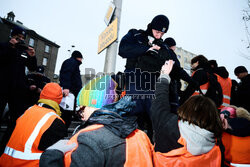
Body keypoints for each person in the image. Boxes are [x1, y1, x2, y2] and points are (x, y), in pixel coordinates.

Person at [39, 80, 154, 167]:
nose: (81, 116)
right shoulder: (141, 136)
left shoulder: (89, 139)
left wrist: (51, 156)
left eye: (82, 108)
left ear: (95, 106)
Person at [151, 60, 223, 166]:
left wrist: (164, 76)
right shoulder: (217, 145)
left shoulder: (170, 126)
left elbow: (160, 103)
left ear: (186, 108)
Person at [118, 15, 170, 140]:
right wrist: (147, 49)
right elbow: (123, 50)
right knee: (133, 118)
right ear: (152, 27)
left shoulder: (162, 45)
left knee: (155, 120)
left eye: (162, 33)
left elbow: (173, 62)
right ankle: (131, 147)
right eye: (157, 32)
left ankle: (153, 149)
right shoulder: (135, 34)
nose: (159, 35)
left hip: (153, 86)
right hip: (135, 82)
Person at [0, 83, 67, 167]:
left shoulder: (27, 111)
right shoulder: (55, 121)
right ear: (59, 100)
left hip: (5, 162)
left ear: (41, 95)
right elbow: (53, 156)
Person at [0, 26, 37, 154]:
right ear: (12, 36)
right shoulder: (4, 46)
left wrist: (32, 56)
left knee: (15, 120)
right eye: (18, 37)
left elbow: (32, 67)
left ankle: (4, 146)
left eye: (22, 38)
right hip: (3, 87)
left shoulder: (23, 52)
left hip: (17, 90)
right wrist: (11, 47)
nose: (20, 40)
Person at [59, 50, 83, 128]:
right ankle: (63, 129)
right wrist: (66, 87)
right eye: (81, 58)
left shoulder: (72, 63)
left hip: (71, 91)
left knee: (68, 112)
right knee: (67, 112)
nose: (82, 60)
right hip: (70, 92)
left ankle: (63, 128)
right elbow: (67, 74)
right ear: (78, 57)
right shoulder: (72, 62)